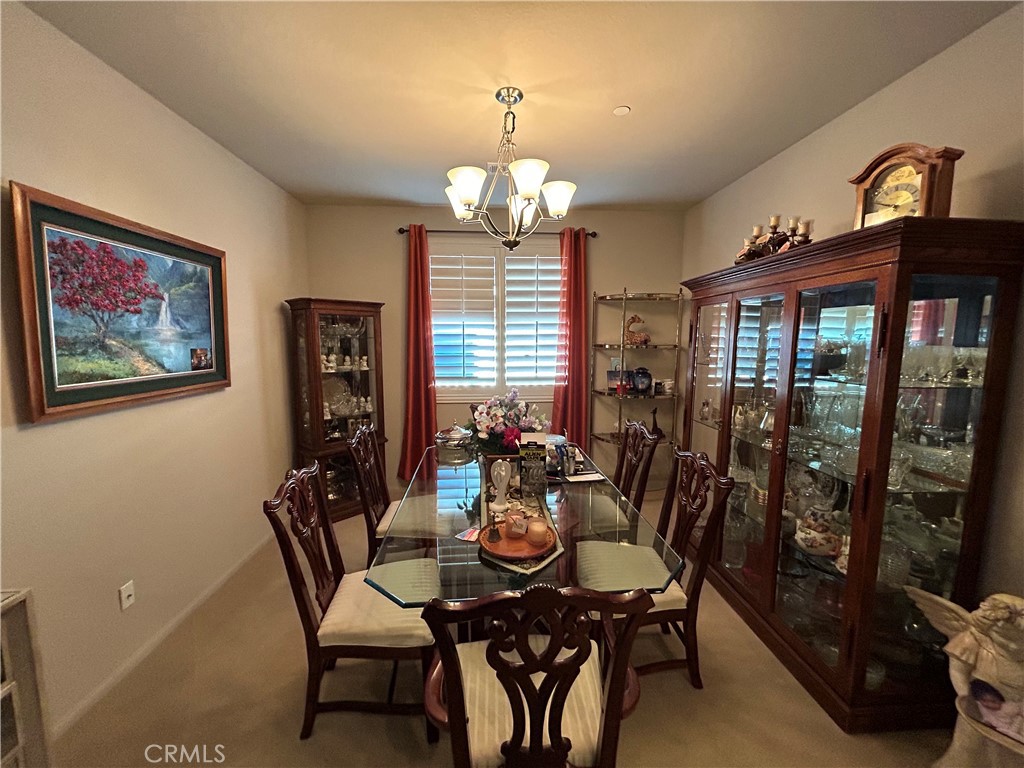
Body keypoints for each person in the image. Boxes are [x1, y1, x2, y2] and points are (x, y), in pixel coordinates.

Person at [969, 678, 1024, 743]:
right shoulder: (982, 706)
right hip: (1004, 731)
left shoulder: (1008, 708)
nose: (989, 704)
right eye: (984, 701)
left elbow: (1019, 715)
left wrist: (1012, 730)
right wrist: (987, 722)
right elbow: (986, 717)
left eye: (994, 701)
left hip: (1017, 727)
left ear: (1000, 699)